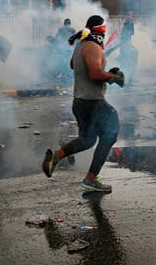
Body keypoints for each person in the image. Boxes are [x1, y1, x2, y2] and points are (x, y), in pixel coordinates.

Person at [42, 15, 124, 193]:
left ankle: (57, 156)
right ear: (100, 31)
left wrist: (106, 74)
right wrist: (113, 77)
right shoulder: (93, 47)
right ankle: (91, 179)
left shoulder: (81, 46)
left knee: (87, 140)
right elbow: (94, 74)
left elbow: (73, 65)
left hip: (79, 102)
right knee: (110, 134)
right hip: (93, 102)